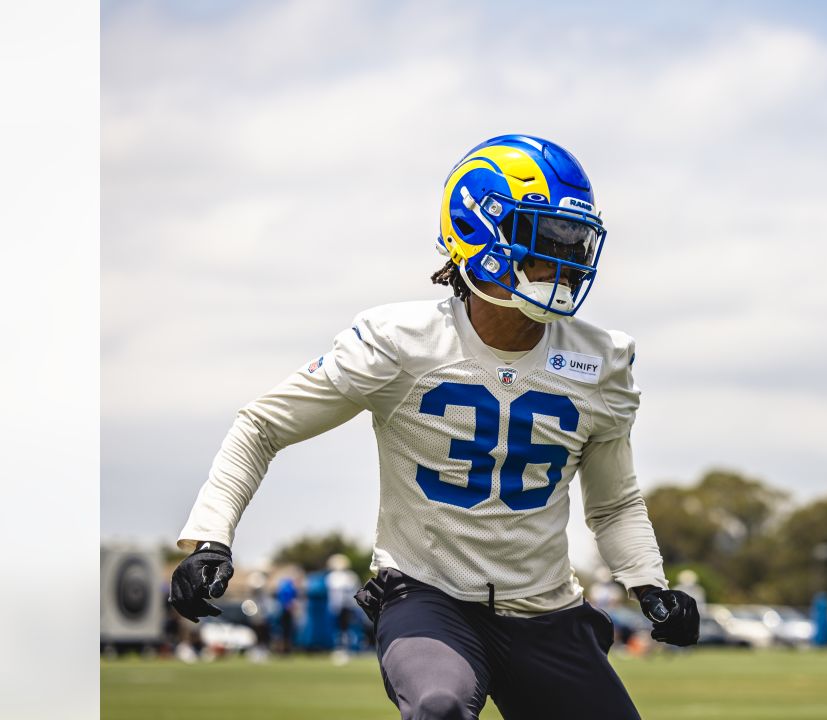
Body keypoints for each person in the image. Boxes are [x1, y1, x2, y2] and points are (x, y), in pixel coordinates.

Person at [166, 135, 700, 719]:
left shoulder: (601, 360)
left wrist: (650, 586)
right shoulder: (402, 343)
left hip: (546, 608)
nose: (566, 260)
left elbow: (614, 503)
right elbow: (263, 424)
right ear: (478, 233)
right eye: (546, 240)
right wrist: (211, 536)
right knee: (439, 705)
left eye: (574, 239)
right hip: (428, 597)